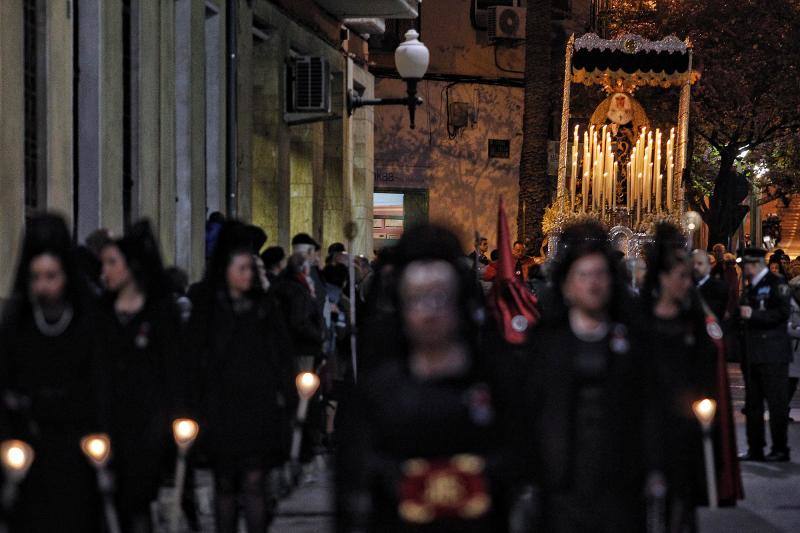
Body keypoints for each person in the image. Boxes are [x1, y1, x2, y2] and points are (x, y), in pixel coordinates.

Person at [337, 224, 516, 532]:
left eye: (440, 297)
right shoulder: (378, 388)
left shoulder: (492, 379)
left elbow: (518, 457)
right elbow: (355, 481)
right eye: (418, 298)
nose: (430, 312)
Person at [518, 221, 661, 532]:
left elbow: (648, 404)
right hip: (562, 479)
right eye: (583, 276)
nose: (593, 284)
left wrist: (654, 467)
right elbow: (529, 407)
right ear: (568, 285)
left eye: (599, 275)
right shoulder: (548, 342)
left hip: (619, 477)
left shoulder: (632, 340)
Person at [186, 220, 294, 533]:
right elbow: (194, 356)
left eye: (250, 268)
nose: (247, 275)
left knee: (254, 480)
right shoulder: (207, 305)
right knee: (225, 482)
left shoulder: (265, 306)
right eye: (241, 268)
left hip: (257, 407)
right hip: (220, 406)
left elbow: (281, 356)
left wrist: (286, 398)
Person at [0, 214, 104, 532]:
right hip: (32, 443)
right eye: (36, 277)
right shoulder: (18, 323)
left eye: (51, 276)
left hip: (76, 444)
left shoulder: (87, 322)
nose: (43, 286)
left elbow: (101, 380)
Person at [97, 220, 182, 533]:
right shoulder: (101, 312)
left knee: (137, 503)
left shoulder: (159, 313)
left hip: (147, 426)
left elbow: (172, 368)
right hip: (107, 423)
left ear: (131, 267)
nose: (104, 272)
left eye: (111, 263)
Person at [642, 223, 724, 530]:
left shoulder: (692, 322)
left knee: (681, 506)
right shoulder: (641, 320)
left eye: (689, 277)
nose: (687, 283)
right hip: (649, 423)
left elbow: (704, 370)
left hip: (683, 427)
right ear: (663, 278)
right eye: (681, 277)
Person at [738, 247, 793, 462]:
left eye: (747, 265)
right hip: (753, 354)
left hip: (773, 354)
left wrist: (755, 315)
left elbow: (782, 313)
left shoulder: (776, 283)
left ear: (755, 264)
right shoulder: (751, 287)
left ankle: (780, 448)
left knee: (776, 403)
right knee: (753, 404)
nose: (745, 269)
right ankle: (755, 447)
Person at [693, 249, 729, 320]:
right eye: (692, 263)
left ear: (709, 266)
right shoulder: (686, 285)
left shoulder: (719, 288)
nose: (695, 267)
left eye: (700, 263)